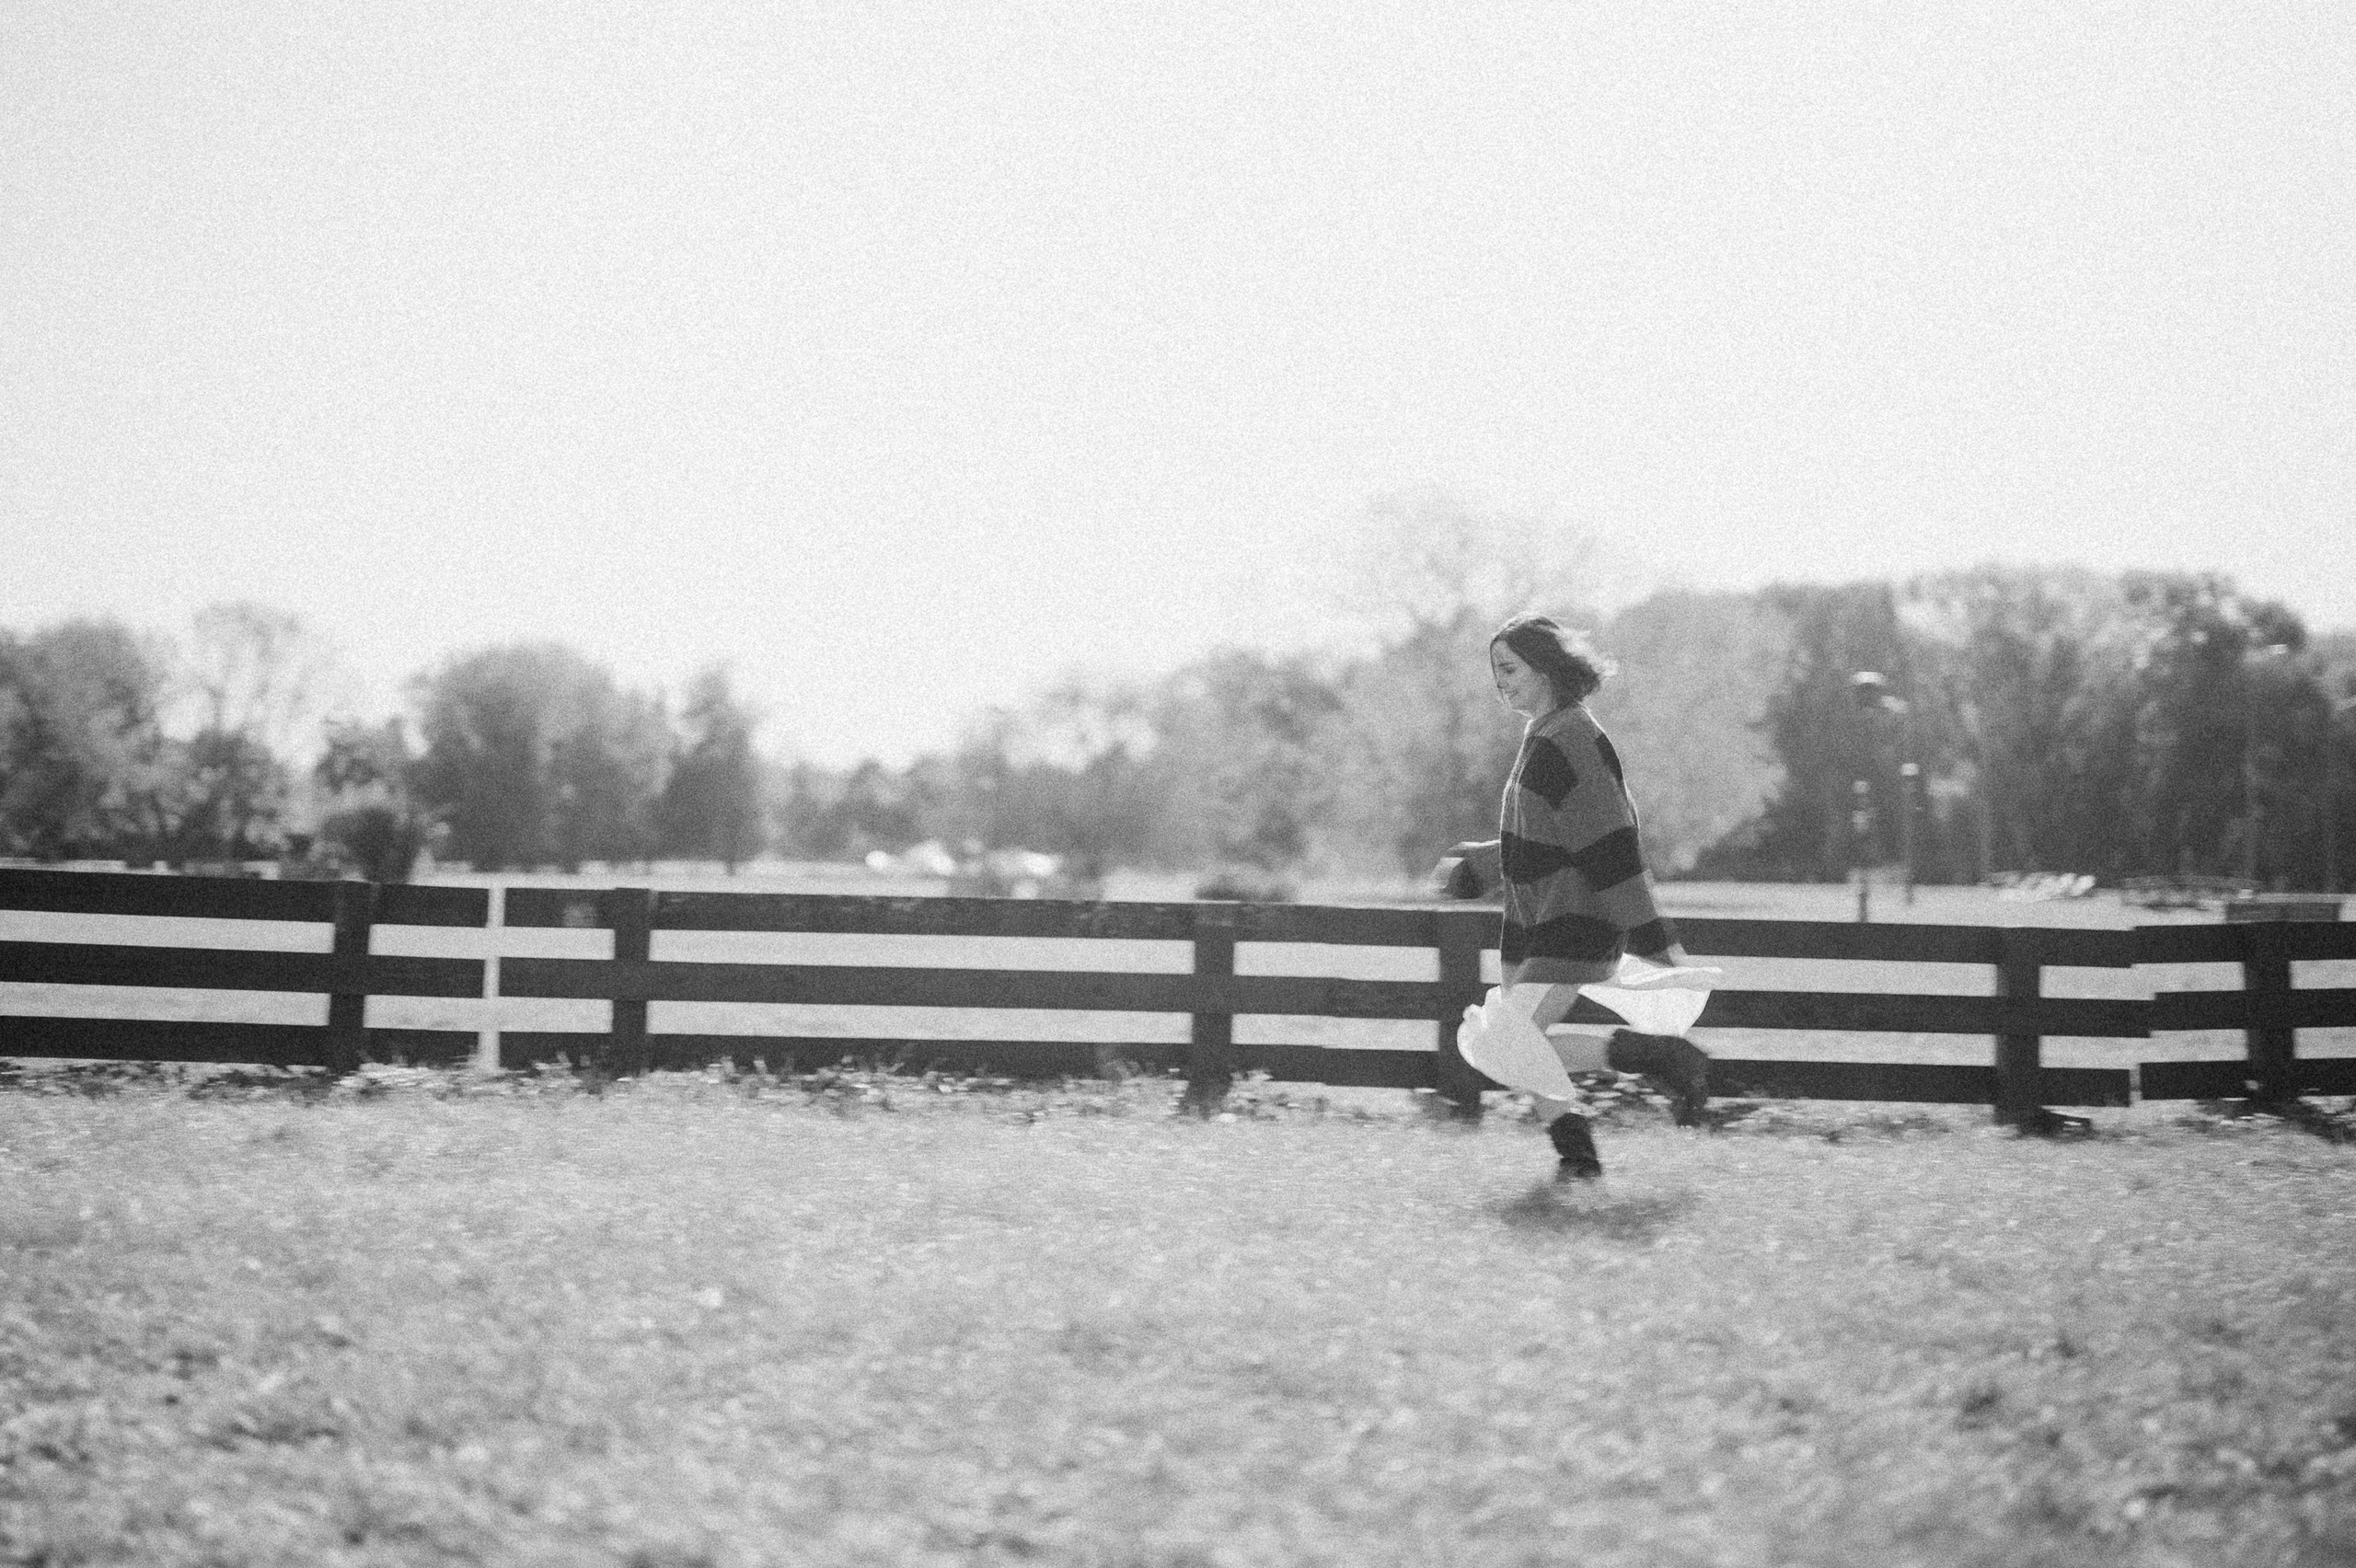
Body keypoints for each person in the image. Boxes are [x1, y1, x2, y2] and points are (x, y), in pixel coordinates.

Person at [1435, 613, 1713, 1182]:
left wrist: (1653, 937)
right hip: (1537, 924)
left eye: (1509, 669)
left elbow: (1610, 844)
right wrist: (1481, 869)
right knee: (1515, 1045)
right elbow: (1545, 836)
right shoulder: (1545, 732)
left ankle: (1594, 1140)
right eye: (1496, 673)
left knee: (1511, 1039)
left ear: (1545, 668)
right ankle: (1599, 1129)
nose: (1501, 683)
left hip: (1574, 923)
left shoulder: (1575, 738)